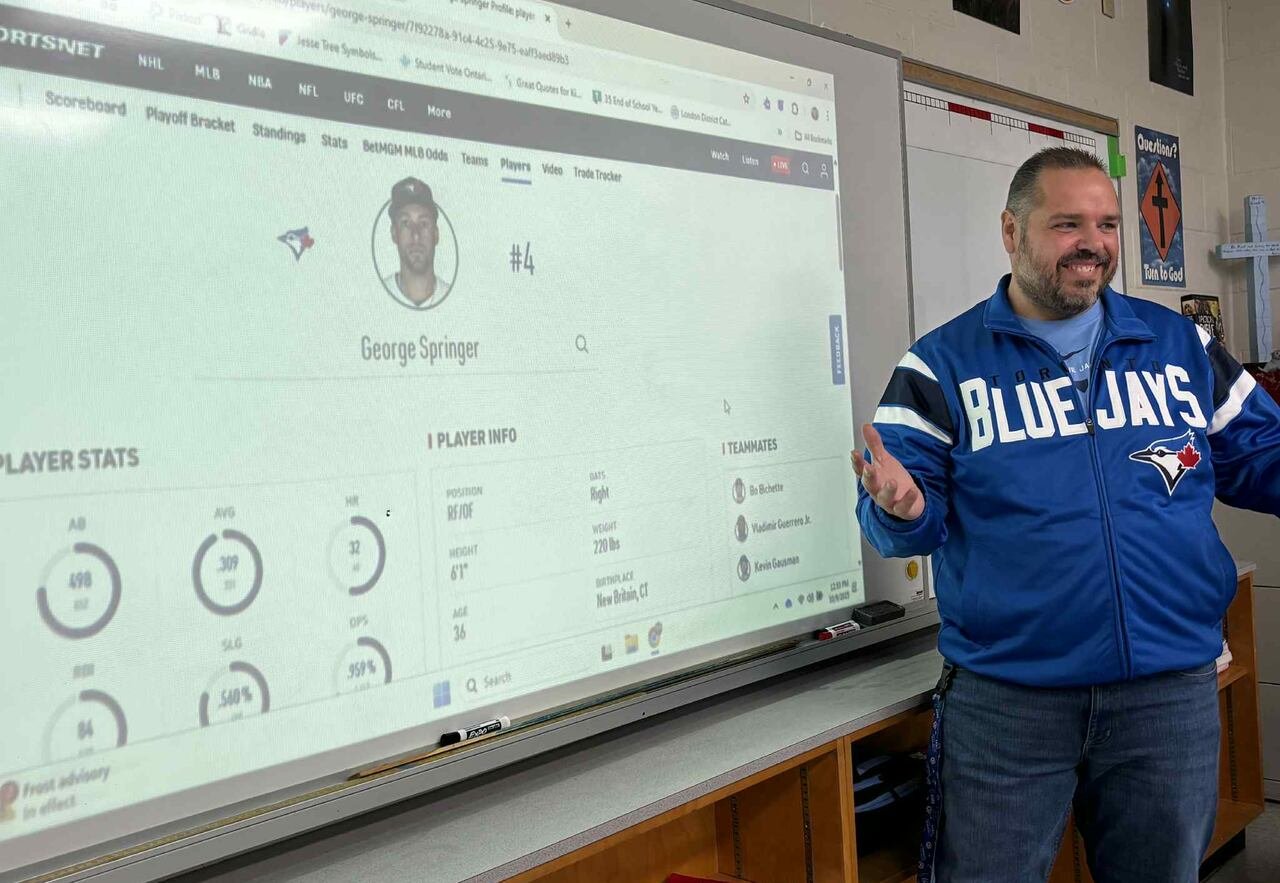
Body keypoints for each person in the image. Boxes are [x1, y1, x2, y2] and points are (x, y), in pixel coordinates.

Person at [851, 147, 1280, 883]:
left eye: (1108, 223)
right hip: (1010, 702)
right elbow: (900, 513)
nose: (1093, 242)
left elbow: (1259, 455)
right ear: (1012, 233)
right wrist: (903, 507)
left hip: (1166, 693)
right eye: (1067, 224)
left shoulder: (1179, 344)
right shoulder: (940, 364)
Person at [383, 177, 451, 309]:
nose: (415, 235)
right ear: (394, 234)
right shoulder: (376, 294)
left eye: (424, 223)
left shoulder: (455, 297)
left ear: (436, 234)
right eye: (406, 223)